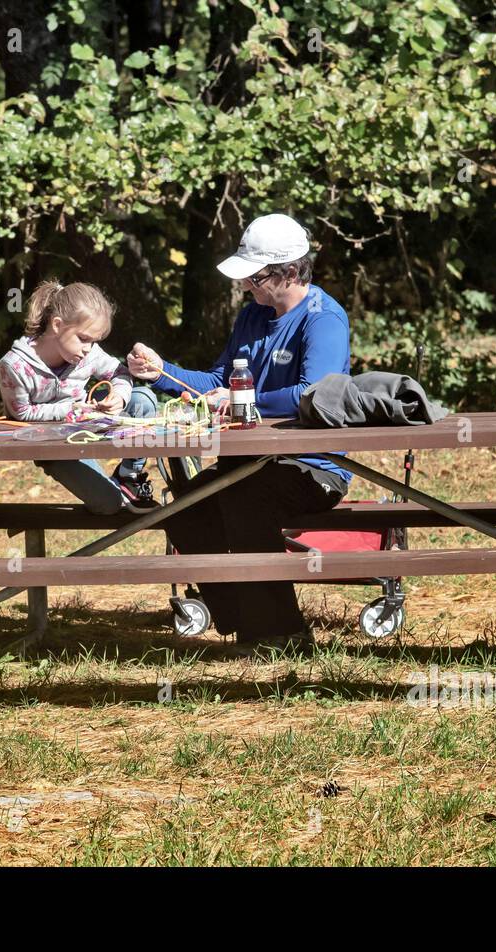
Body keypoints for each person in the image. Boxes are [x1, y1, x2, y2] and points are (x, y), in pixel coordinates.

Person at [127, 214, 351, 649]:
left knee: (244, 500)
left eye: (255, 276)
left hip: (311, 468)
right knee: (185, 507)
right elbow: (216, 381)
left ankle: (281, 633)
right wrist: (160, 373)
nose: (246, 285)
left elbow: (315, 393)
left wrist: (241, 401)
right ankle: (241, 618)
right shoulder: (252, 316)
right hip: (248, 463)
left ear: (289, 273)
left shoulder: (324, 319)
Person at [0, 280, 159, 514]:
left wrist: (119, 397)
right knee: (109, 505)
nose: (87, 348)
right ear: (57, 325)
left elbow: (119, 372)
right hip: (51, 446)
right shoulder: (14, 366)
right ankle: (114, 491)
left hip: (87, 427)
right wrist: (70, 410)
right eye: (83, 339)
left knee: (142, 399)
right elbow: (20, 414)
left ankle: (128, 475)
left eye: (94, 341)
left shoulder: (89, 352)